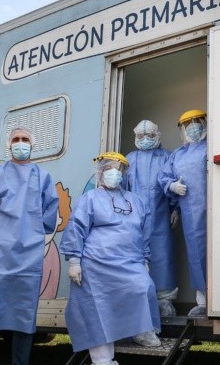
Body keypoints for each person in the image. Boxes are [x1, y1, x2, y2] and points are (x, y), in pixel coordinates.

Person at [0, 127, 59, 365]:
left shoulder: (43, 177)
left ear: (33, 144)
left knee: (23, 314)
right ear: (9, 145)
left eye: (25, 139)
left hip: (28, 256)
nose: (20, 143)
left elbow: (50, 214)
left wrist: (32, 232)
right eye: (16, 139)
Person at [62, 152, 161, 365]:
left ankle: (141, 331)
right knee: (98, 309)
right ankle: (102, 359)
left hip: (130, 262)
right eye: (109, 169)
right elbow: (76, 229)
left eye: (119, 169)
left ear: (124, 173)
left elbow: (145, 232)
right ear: (100, 172)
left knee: (143, 288)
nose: (114, 173)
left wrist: (145, 259)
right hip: (96, 264)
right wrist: (74, 261)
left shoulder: (136, 201)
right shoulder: (89, 199)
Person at [125, 120, 180, 317]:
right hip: (134, 219)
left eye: (149, 135)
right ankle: (138, 300)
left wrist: (176, 209)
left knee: (162, 255)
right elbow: (122, 189)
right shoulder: (129, 159)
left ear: (158, 135)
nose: (145, 139)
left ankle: (165, 301)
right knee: (134, 257)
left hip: (160, 216)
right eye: (140, 136)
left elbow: (173, 182)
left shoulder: (167, 156)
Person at [158, 110, 208, 316]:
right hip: (191, 212)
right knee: (197, 253)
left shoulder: (213, 146)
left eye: (196, 123)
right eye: (187, 125)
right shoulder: (177, 154)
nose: (192, 128)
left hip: (217, 209)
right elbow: (164, 177)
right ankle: (203, 301)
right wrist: (172, 188)